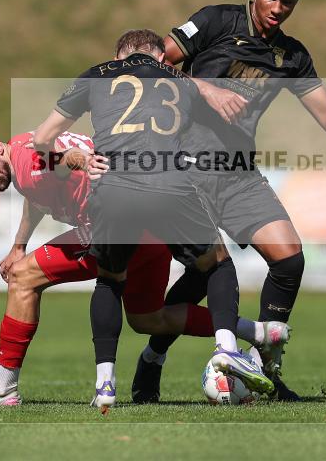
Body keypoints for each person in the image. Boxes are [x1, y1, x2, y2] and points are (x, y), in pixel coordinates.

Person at [127, 0, 326, 403]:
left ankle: (265, 370)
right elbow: (148, 65)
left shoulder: (292, 55)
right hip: (183, 166)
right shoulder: (214, 22)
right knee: (212, 270)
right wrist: (203, 87)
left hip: (239, 173)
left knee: (289, 259)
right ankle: (154, 356)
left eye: (287, 1)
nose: (277, 8)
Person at [0, 122, 287, 406]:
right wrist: (19, 244)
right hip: (150, 228)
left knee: (22, 277)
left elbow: (59, 162)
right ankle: (259, 332)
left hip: (113, 229)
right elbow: (39, 191)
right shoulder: (23, 147)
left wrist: (80, 160)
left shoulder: (29, 162)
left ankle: (2, 388)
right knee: (147, 318)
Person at [32, 29, 275, 410]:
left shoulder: (95, 74)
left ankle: (104, 386)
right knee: (217, 263)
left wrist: (70, 161)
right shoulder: (180, 80)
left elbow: (43, 138)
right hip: (170, 186)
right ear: (162, 56)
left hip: (113, 189)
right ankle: (227, 348)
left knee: (110, 282)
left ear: (119, 54)